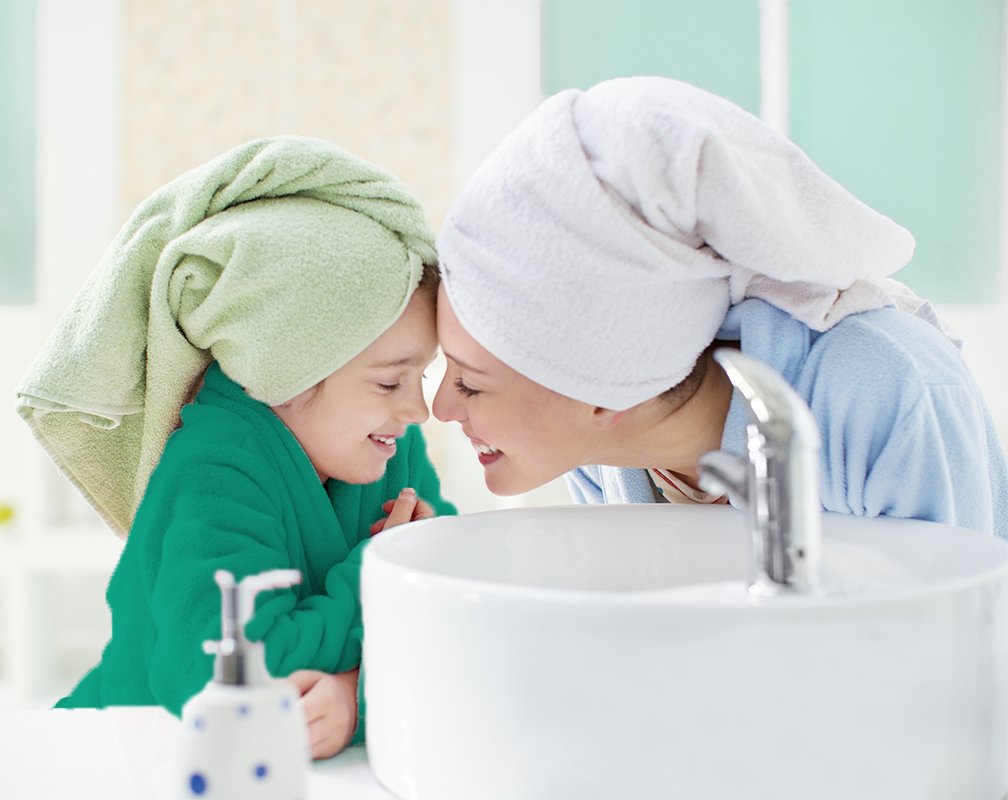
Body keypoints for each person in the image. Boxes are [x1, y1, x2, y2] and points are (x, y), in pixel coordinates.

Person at [16, 137, 454, 758]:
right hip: (137, 755)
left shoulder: (389, 445)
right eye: (390, 381)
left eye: (422, 375)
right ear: (287, 372)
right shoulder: (212, 474)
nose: (419, 409)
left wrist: (356, 696)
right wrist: (379, 573)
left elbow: (449, 616)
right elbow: (238, 680)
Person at [430, 76, 1006, 537]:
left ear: (602, 393)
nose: (439, 407)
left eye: (471, 384)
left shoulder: (887, 394)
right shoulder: (596, 448)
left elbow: (961, 650)